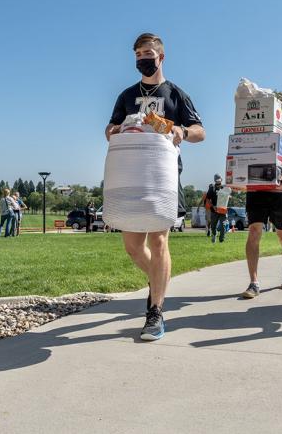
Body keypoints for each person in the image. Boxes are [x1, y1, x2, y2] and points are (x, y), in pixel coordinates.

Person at [104, 32, 205, 341]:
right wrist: (116, 128)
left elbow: (200, 132)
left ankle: (155, 312)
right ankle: (158, 280)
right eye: (137, 56)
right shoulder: (126, 96)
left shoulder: (176, 94)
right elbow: (110, 129)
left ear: (161, 57)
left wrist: (180, 131)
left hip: (164, 176)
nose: (142, 60)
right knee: (133, 246)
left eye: (147, 54)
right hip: (131, 175)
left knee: (159, 241)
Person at [241, 91, 282, 298]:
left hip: (279, 190)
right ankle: (253, 282)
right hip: (256, 189)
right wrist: (237, 176)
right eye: (279, 106)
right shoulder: (254, 129)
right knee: (254, 232)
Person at [206, 175, 227, 243]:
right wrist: (213, 206)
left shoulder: (224, 187)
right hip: (214, 210)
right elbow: (208, 199)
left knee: (223, 224)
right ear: (215, 181)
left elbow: (228, 196)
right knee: (213, 226)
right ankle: (214, 235)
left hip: (223, 210)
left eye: (219, 182)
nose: (218, 184)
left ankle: (221, 239)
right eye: (217, 182)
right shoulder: (211, 188)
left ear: (221, 180)